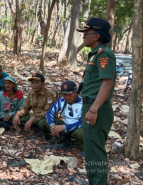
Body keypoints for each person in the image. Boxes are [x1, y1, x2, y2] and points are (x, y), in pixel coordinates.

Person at [77, 18, 116, 185]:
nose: (83, 36)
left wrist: (93, 109)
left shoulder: (104, 54)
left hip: (97, 108)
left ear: (98, 35)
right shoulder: (94, 54)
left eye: (87, 33)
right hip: (91, 105)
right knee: (92, 150)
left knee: (95, 153)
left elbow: (107, 83)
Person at [45, 81, 84, 152]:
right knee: (48, 121)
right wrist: (52, 125)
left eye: (69, 94)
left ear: (75, 92)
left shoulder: (83, 103)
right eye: (64, 94)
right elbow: (49, 113)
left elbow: (82, 123)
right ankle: (63, 141)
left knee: (80, 132)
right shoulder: (61, 101)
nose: (67, 97)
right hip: (65, 125)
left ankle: (85, 149)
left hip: (77, 128)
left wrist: (64, 127)